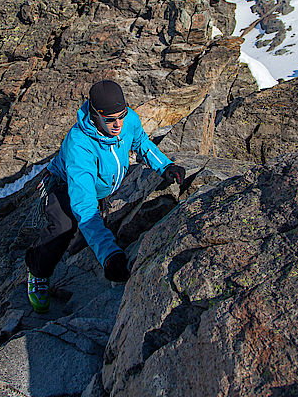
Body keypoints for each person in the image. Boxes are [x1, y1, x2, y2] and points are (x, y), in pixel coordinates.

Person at [24, 80, 186, 313]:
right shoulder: (79, 145)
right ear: (94, 115)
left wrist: (165, 166)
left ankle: (90, 248)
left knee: (90, 231)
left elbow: (140, 142)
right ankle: (37, 271)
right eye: (110, 119)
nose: (118, 124)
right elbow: (84, 205)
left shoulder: (128, 119)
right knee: (63, 227)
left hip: (100, 186)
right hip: (64, 185)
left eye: (121, 115)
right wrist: (109, 255)